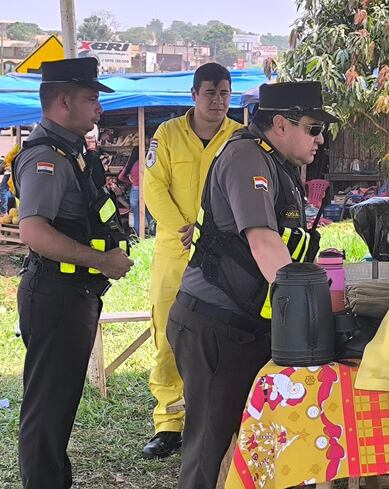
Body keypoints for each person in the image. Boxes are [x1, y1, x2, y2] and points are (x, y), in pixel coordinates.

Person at [167, 80, 337, 488]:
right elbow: (263, 242)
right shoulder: (247, 158)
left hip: (245, 323)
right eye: (313, 128)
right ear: (281, 124)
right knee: (207, 451)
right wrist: (311, 313)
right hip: (215, 326)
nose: (320, 139)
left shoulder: (277, 163)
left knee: (257, 443)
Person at [14, 57, 134, 489]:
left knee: (59, 404)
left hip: (72, 294)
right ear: (64, 102)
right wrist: (102, 261)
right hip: (56, 294)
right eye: (91, 98)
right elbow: (33, 232)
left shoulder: (71, 152)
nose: (98, 107)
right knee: (48, 409)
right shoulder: (45, 157)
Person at [141, 63, 242, 458]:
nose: (218, 101)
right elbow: (153, 187)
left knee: (221, 336)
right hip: (175, 251)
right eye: (210, 93)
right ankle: (168, 422)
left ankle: (218, 418)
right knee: (168, 334)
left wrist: (209, 231)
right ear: (194, 94)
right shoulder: (167, 134)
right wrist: (184, 227)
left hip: (224, 256)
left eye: (224, 93)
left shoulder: (240, 137)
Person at [117, 145, 154, 235]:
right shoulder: (148, 163)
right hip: (146, 190)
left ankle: (138, 237)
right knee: (149, 215)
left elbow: (120, 177)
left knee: (137, 217)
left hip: (134, 191)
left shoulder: (132, 164)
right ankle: (153, 235)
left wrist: (131, 182)